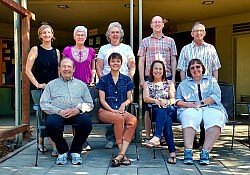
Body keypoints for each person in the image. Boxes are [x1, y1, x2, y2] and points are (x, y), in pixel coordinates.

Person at [40, 58, 93, 165]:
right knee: (51, 124)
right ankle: (62, 150)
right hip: (58, 113)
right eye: (63, 66)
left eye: (69, 67)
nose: (66, 69)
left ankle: (75, 150)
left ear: (74, 69)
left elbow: (89, 103)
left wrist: (78, 109)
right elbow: (44, 103)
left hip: (76, 112)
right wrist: (58, 111)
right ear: (59, 68)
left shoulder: (81, 84)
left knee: (86, 123)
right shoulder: (51, 84)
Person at [177, 22, 221, 147]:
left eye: (201, 30)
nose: (199, 33)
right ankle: (193, 138)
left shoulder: (210, 48)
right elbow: (182, 69)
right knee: (192, 110)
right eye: (196, 31)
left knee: (206, 109)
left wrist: (214, 84)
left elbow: (215, 67)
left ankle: (204, 137)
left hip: (207, 85)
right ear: (192, 33)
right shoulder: (186, 49)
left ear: (204, 33)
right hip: (190, 86)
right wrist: (184, 85)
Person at [176, 59, 228, 165]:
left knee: (215, 117)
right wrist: (188, 104)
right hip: (190, 108)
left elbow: (216, 96)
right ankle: (188, 151)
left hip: (211, 107)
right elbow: (177, 101)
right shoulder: (183, 84)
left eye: (198, 66)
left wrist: (201, 103)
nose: (195, 69)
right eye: (192, 68)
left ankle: (205, 152)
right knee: (189, 115)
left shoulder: (211, 80)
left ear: (202, 68)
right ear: (189, 71)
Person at [137, 15, 177, 144]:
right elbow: (141, 60)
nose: (158, 24)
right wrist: (142, 79)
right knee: (148, 106)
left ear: (163, 25)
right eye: (155, 22)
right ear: (151, 25)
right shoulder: (145, 41)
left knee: (165, 106)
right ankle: (148, 136)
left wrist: (173, 78)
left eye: (160, 22)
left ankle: (163, 136)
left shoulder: (170, 41)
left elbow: (173, 59)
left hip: (167, 77)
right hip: (150, 77)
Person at [96, 22, 136, 149]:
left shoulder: (127, 48)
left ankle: (123, 140)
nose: (115, 34)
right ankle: (111, 139)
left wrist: (127, 80)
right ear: (108, 35)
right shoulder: (104, 49)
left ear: (121, 35)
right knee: (111, 109)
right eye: (112, 32)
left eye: (117, 32)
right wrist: (104, 81)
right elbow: (99, 66)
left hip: (123, 82)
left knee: (122, 110)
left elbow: (132, 65)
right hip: (108, 82)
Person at [97, 52, 137, 167]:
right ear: (109, 63)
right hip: (105, 111)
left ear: (121, 63)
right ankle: (122, 154)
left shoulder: (127, 80)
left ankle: (120, 155)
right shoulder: (103, 80)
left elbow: (130, 98)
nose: (115, 63)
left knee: (133, 120)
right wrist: (112, 110)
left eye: (118, 61)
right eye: (113, 61)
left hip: (121, 111)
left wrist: (124, 104)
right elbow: (102, 100)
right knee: (119, 119)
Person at [25, 24, 60, 157]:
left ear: (52, 34)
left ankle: (47, 142)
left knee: (53, 115)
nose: (46, 35)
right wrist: (38, 84)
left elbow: (58, 71)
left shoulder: (56, 52)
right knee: (42, 115)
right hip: (39, 89)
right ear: (40, 35)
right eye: (43, 33)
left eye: (48, 32)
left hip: (54, 89)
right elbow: (27, 70)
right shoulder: (35, 49)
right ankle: (47, 143)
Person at [62, 25, 96, 151]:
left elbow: (92, 67)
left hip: (86, 85)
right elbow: (62, 66)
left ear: (86, 37)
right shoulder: (67, 50)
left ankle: (82, 139)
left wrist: (93, 79)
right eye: (78, 34)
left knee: (84, 112)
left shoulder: (91, 51)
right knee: (73, 111)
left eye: (83, 35)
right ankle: (78, 140)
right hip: (70, 85)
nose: (80, 37)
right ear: (74, 36)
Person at [143, 60, 177, 164]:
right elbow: (145, 98)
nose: (158, 71)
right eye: (156, 68)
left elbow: (173, 99)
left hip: (169, 109)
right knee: (167, 120)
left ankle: (157, 136)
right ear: (152, 71)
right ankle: (172, 153)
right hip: (156, 111)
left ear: (164, 71)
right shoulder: (147, 83)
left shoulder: (169, 83)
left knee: (164, 111)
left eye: (160, 69)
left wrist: (167, 102)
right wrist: (157, 101)